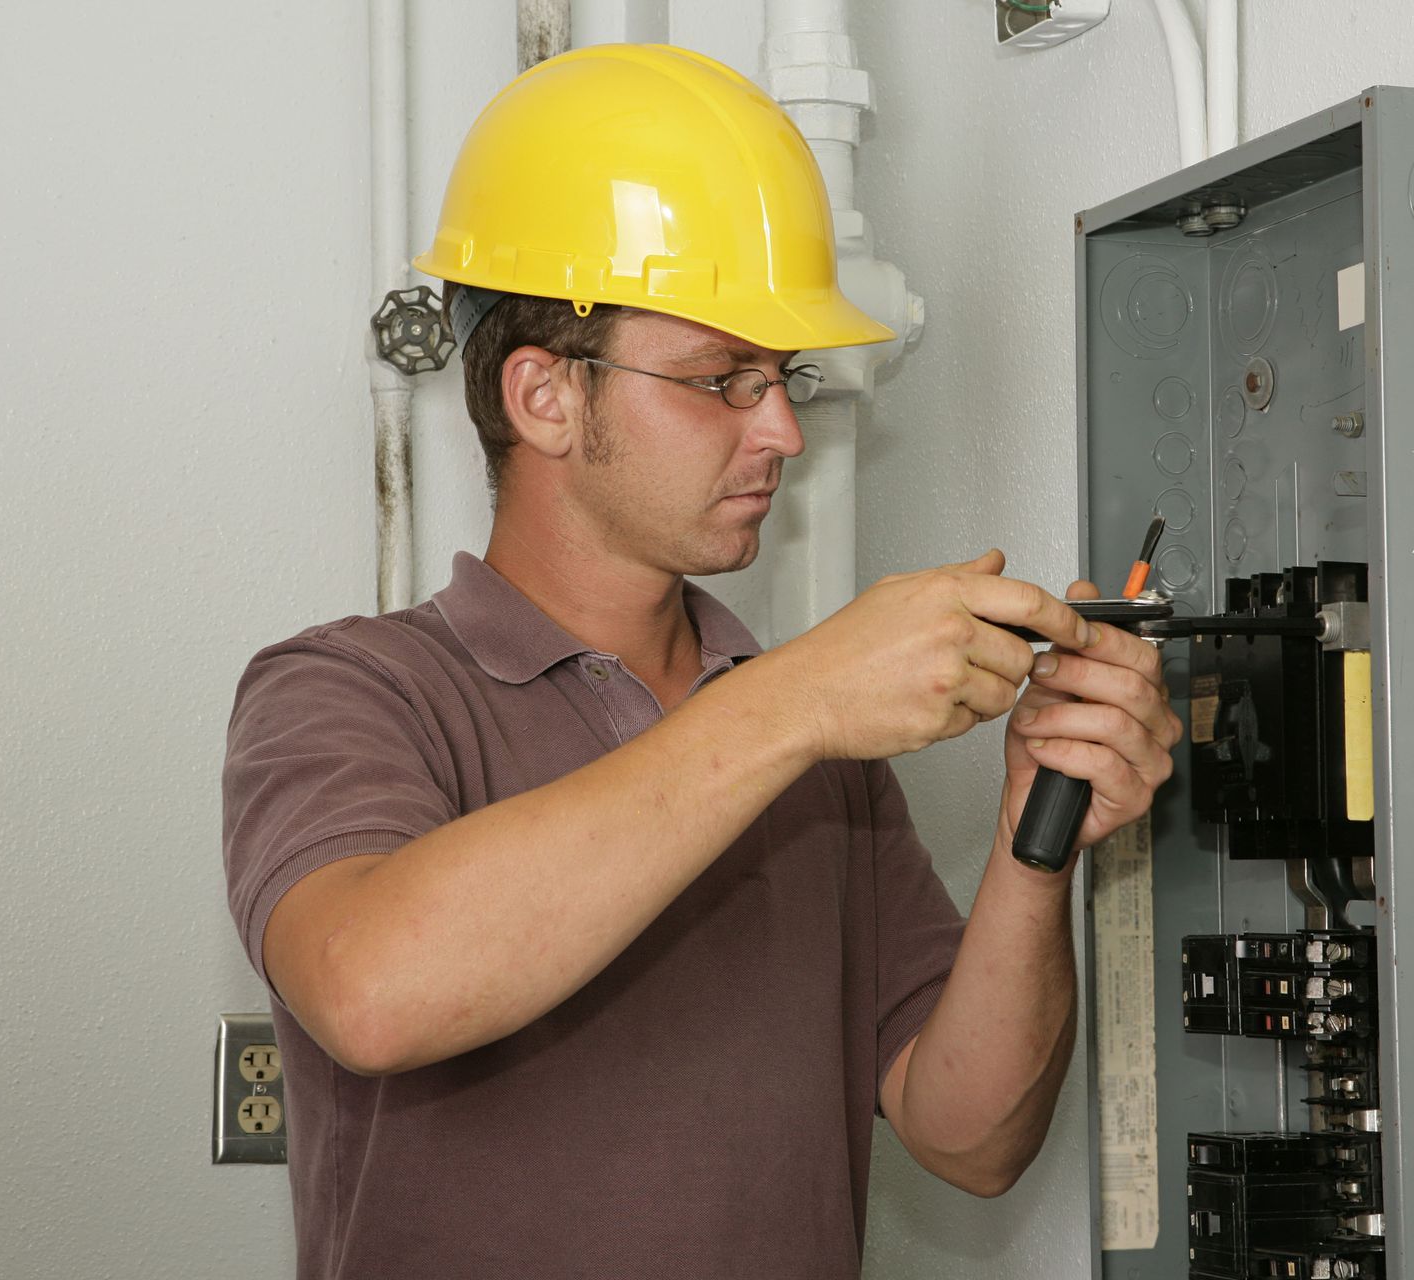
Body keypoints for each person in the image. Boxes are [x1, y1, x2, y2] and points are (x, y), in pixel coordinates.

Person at [222, 43, 1179, 1279]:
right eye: (721, 379)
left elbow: (970, 1134)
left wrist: (1033, 832)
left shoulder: (815, 748)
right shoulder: (352, 692)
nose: (780, 429)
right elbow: (373, 988)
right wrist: (794, 701)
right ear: (545, 396)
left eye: (785, 378)